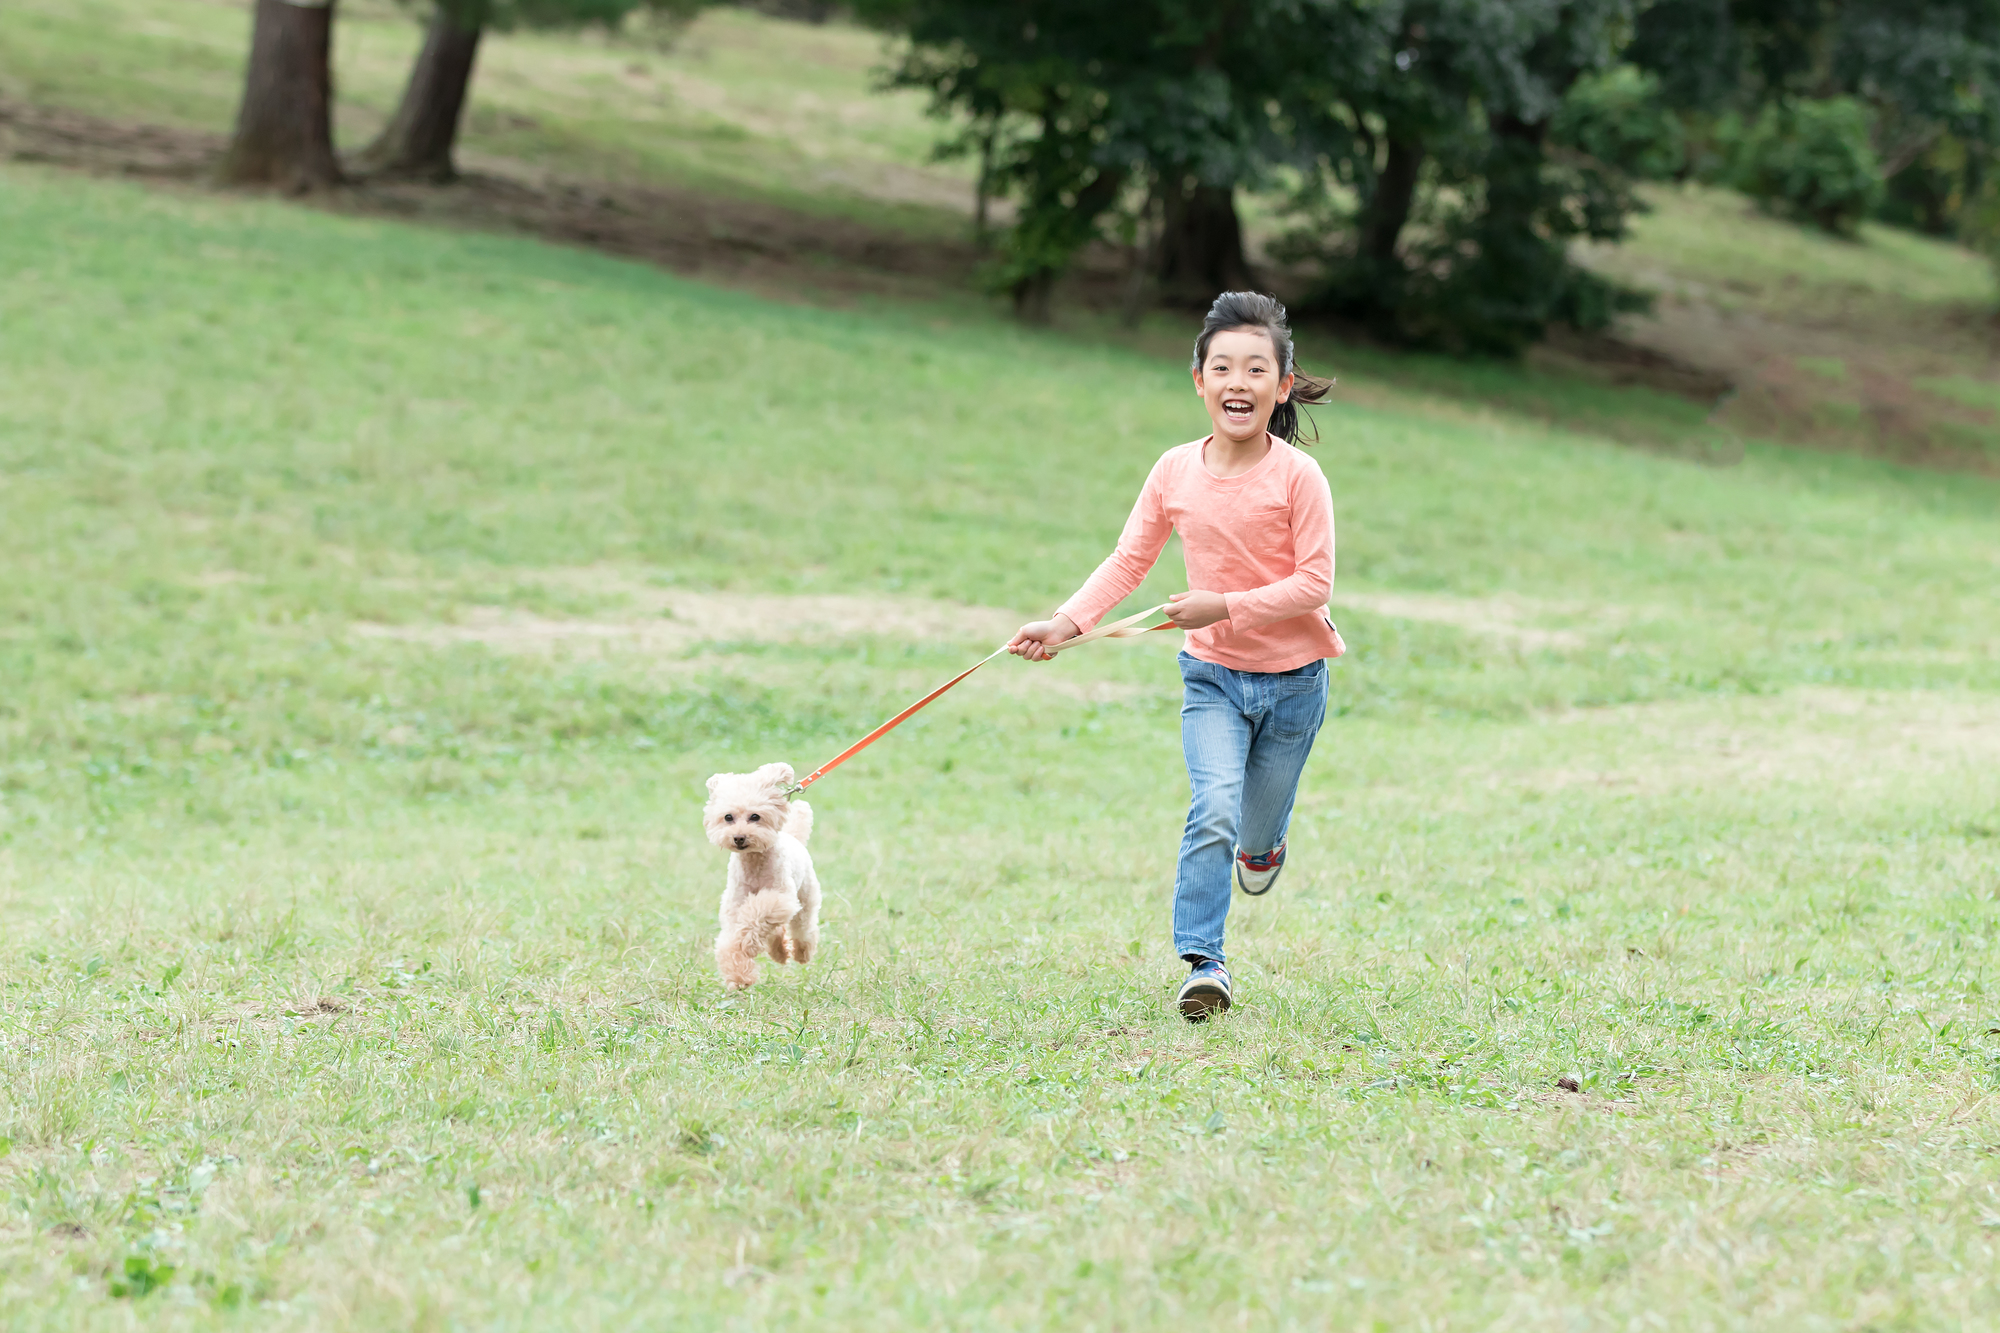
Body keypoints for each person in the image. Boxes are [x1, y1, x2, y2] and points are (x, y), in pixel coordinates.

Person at [1008, 291, 1344, 1022]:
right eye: (1222, 366)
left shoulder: (1297, 478)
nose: (1238, 381)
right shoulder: (1173, 471)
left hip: (1293, 685)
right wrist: (1066, 623)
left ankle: (1265, 851)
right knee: (1213, 807)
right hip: (1213, 679)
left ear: (1281, 385)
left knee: (1252, 833)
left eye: (1256, 368)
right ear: (1198, 380)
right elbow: (1128, 561)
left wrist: (1222, 603)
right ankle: (1206, 963)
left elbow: (1316, 583)